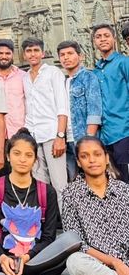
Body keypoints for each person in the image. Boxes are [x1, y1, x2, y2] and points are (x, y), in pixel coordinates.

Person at [0, 128, 81, 275]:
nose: (22, 159)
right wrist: (3, 258)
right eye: (17, 153)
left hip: (37, 261)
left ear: (35, 160)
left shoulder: (46, 192)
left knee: (72, 238)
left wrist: (27, 258)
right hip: (5, 263)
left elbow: (49, 237)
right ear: (8, 156)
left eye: (28, 155)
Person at [63, 136, 129, 275]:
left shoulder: (124, 190)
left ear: (106, 158)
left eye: (97, 154)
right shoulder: (71, 194)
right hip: (98, 265)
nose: (92, 160)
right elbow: (76, 242)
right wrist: (114, 262)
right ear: (78, 162)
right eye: (85, 156)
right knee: (74, 262)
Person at [22, 38, 68, 210]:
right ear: (24, 55)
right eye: (28, 51)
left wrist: (60, 136)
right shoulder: (25, 77)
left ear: (42, 53)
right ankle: (46, 228)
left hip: (51, 134)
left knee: (59, 184)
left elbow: (62, 106)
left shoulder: (53, 73)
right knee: (40, 185)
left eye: (35, 50)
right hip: (33, 136)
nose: (32, 54)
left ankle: (69, 228)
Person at [57, 40, 102, 180]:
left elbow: (94, 110)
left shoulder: (88, 77)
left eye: (70, 53)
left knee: (91, 177)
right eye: (62, 55)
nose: (66, 57)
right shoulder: (62, 81)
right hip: (66, 140)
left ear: (80, 56)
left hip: (82, 136)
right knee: (73, 180)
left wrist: (89, 139)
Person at [92, 23, 129, 182]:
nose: (103, 40)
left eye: (106, 36)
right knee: (115, 181)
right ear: (94, 42)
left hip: (124, 131)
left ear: (114, 39)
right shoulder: (96, 70)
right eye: (98, 37)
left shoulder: (124, 63)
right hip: (105, 135)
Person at [0, 40, 25, 138]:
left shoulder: (23, 76)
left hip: (19, 131)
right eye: (0, 53)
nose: (4, 56)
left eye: (7, 53)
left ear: (12, 55)